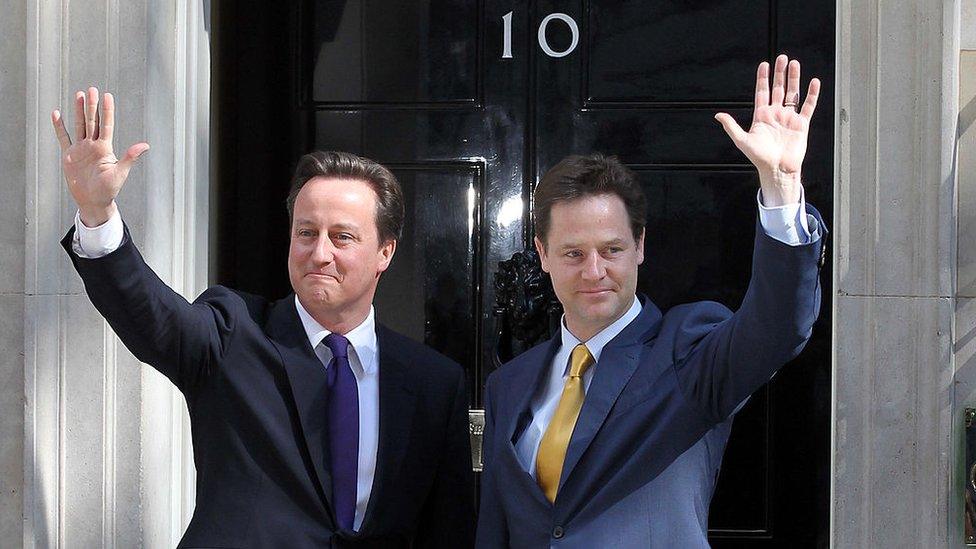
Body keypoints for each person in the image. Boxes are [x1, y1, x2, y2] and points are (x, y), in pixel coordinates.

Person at [51, 89, 475, 548]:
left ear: (384, 253)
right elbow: (149, 313)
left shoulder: (433, 383)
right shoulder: (232, 333)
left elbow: (447, 529)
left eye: (343, 237)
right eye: (307, 233)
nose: (320, 253)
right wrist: (98, 213)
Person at [475, 54, 827, 547]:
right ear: (543, 254)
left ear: (639, 246)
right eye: (574, 253)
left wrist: (782, 187)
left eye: (612, 250)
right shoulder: (508, 385)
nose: (594, 271)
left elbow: (778, 328)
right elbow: (496, 529)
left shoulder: (686, 351)